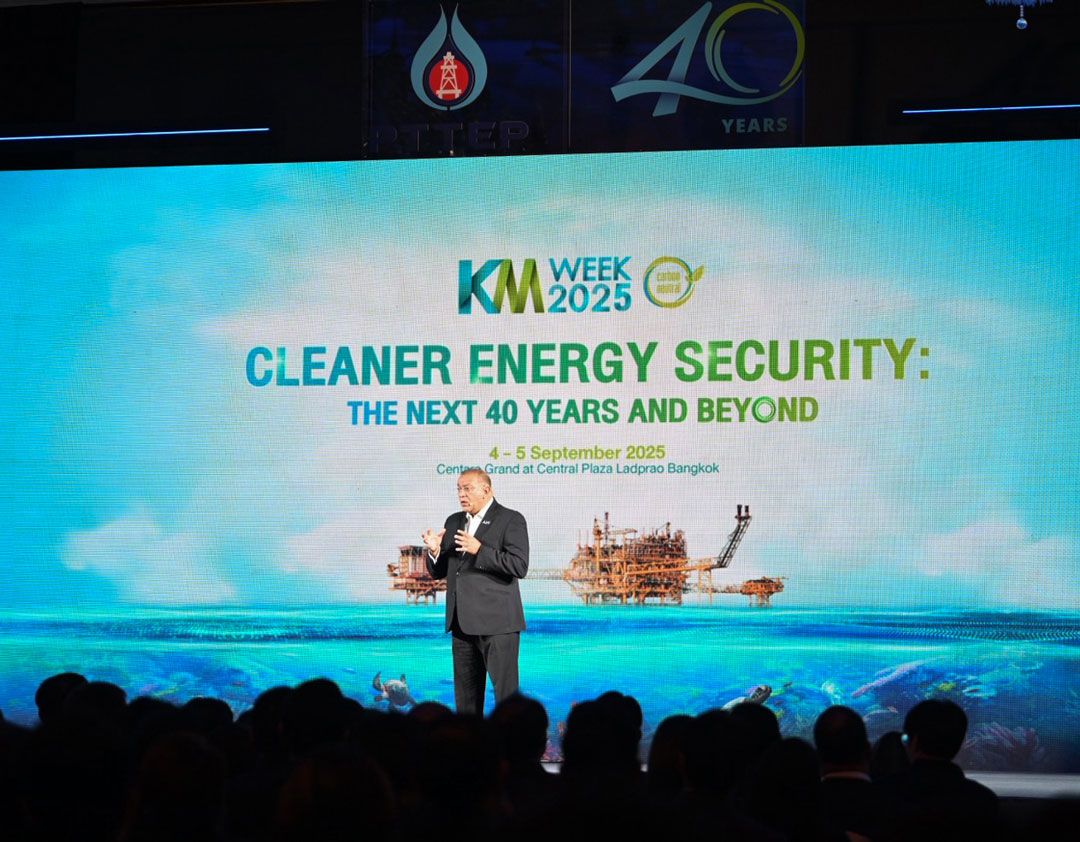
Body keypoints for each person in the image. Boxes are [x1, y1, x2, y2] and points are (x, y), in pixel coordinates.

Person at [422, 468, 528, 714]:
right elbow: (440, 572)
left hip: (498, 624)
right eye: (459, 489)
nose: (461, 494)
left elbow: (519, 566)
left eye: (467, 488)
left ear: (486, 490)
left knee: (507, 701)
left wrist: (480, 550)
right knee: (466, 705)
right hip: (461, 624)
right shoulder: (453, 521)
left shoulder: (511, 519)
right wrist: (435, 551)